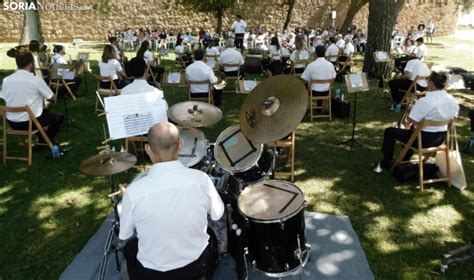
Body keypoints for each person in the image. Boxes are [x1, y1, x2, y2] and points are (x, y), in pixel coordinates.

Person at [120, 122, 224, 279]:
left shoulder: (134, 193)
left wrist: (127, 198)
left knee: (130, 247)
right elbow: (217, 214)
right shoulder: (201, 179)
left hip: (152, 273)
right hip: (195, 266)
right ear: (181, 145)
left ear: (148, 149)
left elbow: (125, 233)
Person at [379, 71, 459, 169]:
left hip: (423, 140)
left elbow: (412, 121)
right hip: (440, 139)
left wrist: (410, 110)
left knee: (390, 131)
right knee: (410, 131)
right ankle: (405, 158)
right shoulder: (453, 100)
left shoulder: (425, 101)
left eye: (428, 80)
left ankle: (387, 161)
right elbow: (454, 118)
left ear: (431, 83)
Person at [2, 52, 64, 144]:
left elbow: (5, 97)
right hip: (30, 122)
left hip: (12, 122)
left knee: (44, 112)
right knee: (59, 117)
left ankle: (43, 138)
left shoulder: (6, 80)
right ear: (31, 64)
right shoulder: (35, 80)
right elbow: (52, 97)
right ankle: (45, 140)